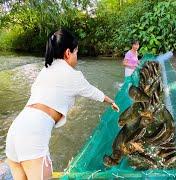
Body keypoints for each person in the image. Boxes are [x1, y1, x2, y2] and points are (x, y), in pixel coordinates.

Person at [5, 29, 120, 180]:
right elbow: (92, 91)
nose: (76, 57)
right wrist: (111, 101)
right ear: (67, 53)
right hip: (32, 136)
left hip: (15, 132)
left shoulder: (46, 70)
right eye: (76, 52)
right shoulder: (73, 75)